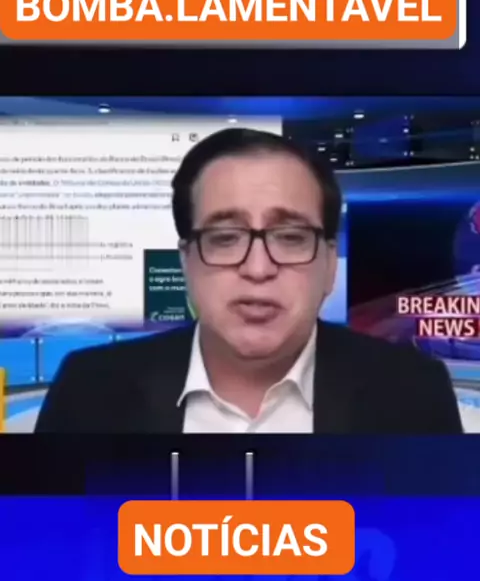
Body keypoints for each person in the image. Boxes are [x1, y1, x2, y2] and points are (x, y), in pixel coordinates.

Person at [35, 128, 463, 434]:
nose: (258, 269)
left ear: (330, 264)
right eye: (225, 238)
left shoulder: (413, 393)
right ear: (186, 262)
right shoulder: (89, 389)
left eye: (291, 237)